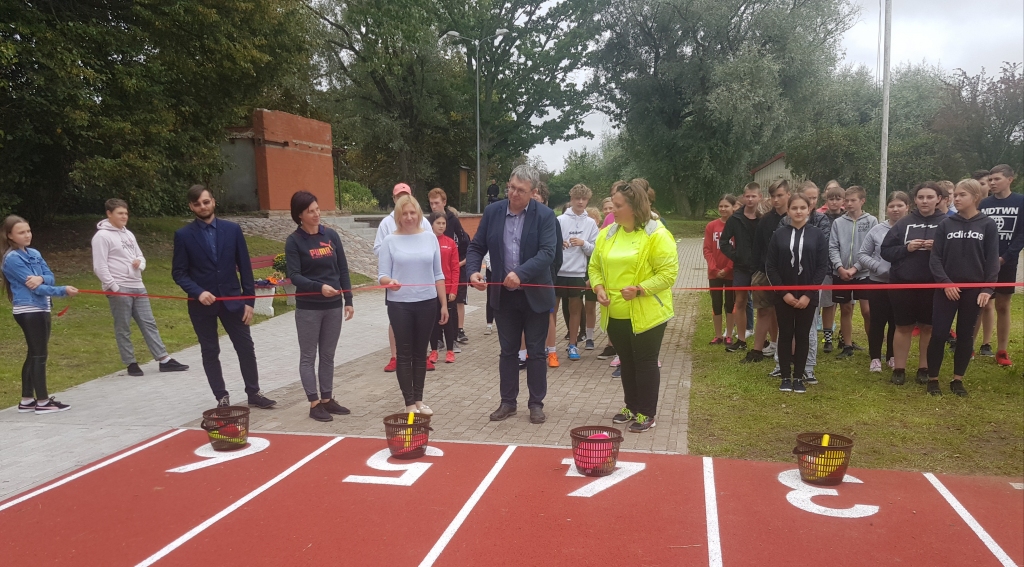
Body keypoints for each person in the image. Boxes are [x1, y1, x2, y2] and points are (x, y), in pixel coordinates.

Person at [466, 164, 556, 424]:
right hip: (503, 295)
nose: (514, 194)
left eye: (521, 190)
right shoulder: (493, 212)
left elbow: (547, 253)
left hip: (534, 294)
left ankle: (536, 404)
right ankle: (508, 402)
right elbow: (476, 246)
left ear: (533, 192)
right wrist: (473, 272)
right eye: (511, 187)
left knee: (537, 352)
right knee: (508, 351)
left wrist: (521, 273)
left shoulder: (545, 216)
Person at [172, 185, 276, 409]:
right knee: (210, 351)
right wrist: (198, 292)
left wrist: (249, 301)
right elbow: (179, 273)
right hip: (202, 306)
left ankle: (254, 392)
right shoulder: (183, 235)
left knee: (246, 347)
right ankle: (222, 397)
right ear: (191, 206)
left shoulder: (232, 230)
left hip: (232, 301)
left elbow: (245, 268)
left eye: (206, 202)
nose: (203, 207)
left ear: (213, 202)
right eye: (197, 204)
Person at [590, 180, 677, 432]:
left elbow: (668, 274)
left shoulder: (657, 234)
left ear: (634, 206)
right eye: (612, 205)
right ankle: (631, 405)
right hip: (614, 311)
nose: (611, 211)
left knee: (645, 362)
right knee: (626, 362)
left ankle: (647, 413)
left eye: (617, 206)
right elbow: (595, 266)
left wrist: (640, 289)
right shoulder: (607, 233)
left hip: (648, 313)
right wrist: (598, 288)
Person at [91, 198, 188, 376]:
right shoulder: (102, 236)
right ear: (109, 214)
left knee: (148, 322)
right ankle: (130, 363)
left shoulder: (128, 234)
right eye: (120, 213)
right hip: (119, 287)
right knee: (123, 326)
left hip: (137, 285)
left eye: (126, 213)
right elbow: (99, 266)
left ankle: (163, 359)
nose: (124, 216)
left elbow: (140, 256)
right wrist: (113, 286)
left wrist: (140, 264)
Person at [285, 191, 355, 422]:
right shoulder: (294, 241)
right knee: (308, 356)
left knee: (328, 355)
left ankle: (327, 398)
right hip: (309, 308)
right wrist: (318, 287)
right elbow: (294, 275)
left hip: (333, 306)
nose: (316, 214)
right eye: (310, 211)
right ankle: (314, 402)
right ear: (300, 216)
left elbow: (342, 269)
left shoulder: (331, 236)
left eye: (317, 209)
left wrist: (349, 300)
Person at [926, 179, 1000, 396]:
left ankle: (958, 379)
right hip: (946, 289)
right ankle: (933, 379)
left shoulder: (987, 224)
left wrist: (987, 289)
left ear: (975, 198)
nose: (956, 199)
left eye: (961, 195)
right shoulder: (946, 224)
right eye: (955, 195)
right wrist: (945, 283)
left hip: (974, 291)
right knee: (939, 334)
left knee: (965, 335)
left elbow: (992, 260)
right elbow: (935, 258)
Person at [378, 194, 447, 415]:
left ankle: (419, 400)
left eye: (412, 212)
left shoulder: (430, 238)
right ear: (398, 216)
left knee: (421, 353)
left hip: (427, 302)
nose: (408, 217)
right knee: (404, 354)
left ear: (418, 214)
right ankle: (409, 403)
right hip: (400, 304)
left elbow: (438, 274)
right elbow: (382, 276)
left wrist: (443, 304)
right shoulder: (390, 241)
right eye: (404, 213)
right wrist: (390, 282)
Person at [2, 215, 79, 413]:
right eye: (21, 232)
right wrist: (63, 290)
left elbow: (49, 278)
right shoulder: (11, 259)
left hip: (42, 308)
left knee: (34, 353)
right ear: (10, 236)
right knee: (39, 355)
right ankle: (43, 402)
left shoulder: (34, 253)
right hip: (28, 310)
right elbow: (37, 289)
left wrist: (41, 277)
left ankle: (27, 399)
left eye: (28, 231)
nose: (27, 235)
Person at [880, 182, 947, 386]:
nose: (925, 201)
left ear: (939, 199)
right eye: (921, 197)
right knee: (903, 326)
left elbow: (957, 255)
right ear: (915, 200)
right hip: (903, 284)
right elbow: (886, 251)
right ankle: (899, 369)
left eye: (929, 197)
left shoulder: (947, 223)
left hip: (933, 285)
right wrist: (906, 248)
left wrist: (939, 248)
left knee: (928, 327)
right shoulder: (903, 222)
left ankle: (924, 368)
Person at [765, 194, 829, 393]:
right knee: (785, 334)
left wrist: (808, 295)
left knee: (803, 335)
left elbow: (822, 267)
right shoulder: (779, 234)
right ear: (788, 210)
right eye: (794, 208)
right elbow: (771, 266)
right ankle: (785, 375)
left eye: (803, 207)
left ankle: (799, 377)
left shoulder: (817, 235)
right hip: (784, 295)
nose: (799, 211)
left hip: (807, 296)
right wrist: (784, 293)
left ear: (809, 209)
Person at [374, 183, 434, 372]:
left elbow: (431, 248)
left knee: (422, 325)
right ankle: (395, 355)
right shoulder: (386, 223)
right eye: (398, 196)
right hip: (397, 282)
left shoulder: (423, 221)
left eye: (405, 195)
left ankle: (422, 355)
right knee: (397, 322)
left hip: (422, 287)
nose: (402, 199)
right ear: (394, 199)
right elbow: (378, 248)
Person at [857, 191, 910, 373]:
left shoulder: (911, 228)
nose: (895, 209)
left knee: (897, 322)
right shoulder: (877, 230)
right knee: (877, 320)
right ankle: (875, 358)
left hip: (902, 283)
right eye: (891, 206)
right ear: (887, 209)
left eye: (899, 205)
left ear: (907, 207)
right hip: (878, 283)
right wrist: (879, 268)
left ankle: (892, 356)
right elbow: (862, 254)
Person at [979, 164, 1023, 367]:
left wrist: (1005, 258)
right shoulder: (984, 203)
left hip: (1007, 261)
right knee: (980, 304)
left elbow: (1021, 234)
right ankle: (970, 347)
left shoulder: (1020, 202)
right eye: (990, 180)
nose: (992, 183)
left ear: (1010, 179)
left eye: (996, 179)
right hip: (983, 263)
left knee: (1003, 305)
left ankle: (1002, 350)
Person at [829, 186, 878, 359]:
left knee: (867, 311)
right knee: (846, 309)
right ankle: (847, 345)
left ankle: (874, 346)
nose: (849, 204)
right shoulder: (838, 222)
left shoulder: (871, 221)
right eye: (846, 200)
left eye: (853, 200)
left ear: (862, 201)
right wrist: (839, 267)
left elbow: (872, 248)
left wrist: (856, 267)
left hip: (864, 273)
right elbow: (833, 246)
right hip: (841, 273)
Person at [746, 180, 790, 363]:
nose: (776, 200)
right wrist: (755, 271)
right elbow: (757, 248)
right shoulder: (765, 221)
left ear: (788, 194)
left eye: (779, 195)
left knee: (783, 313)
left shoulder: (794, 218)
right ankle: (757, 350)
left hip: (787, 275)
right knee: (764, 311)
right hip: (765, 273)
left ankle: (782, 347)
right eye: (773, 196)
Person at [556, 184, 599, 361]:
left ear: (588, 200)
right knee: (551, 309)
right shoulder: (559, 220)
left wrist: (583, 243)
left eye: (584, 199)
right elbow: (550, 245)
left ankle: (572, 345)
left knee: (575, 310)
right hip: (558, 272)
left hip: (577, 273)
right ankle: (548, 346)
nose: (580, 202)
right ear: (571, 199)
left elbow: (595, 250)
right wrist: (561, 244)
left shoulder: (590, 223)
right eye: (577, 198)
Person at [720, 182, 762, 352]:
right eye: (747, 196)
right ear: (743, 197)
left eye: (754, 196)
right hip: (741, 267)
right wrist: (736, 256)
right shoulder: (735, 219)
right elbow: (723, 242)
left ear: (760, 197)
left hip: (760, 269)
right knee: (740, 301)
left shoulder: (763, 219)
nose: (750, 199)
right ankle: (742, 339)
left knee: (764, 305)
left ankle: (764, 340)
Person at [428, 188, 471, 348]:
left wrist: (460, 263)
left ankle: (457, 332)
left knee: (457, 300)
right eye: (431, 203)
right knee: (437, 306)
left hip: (454, 267)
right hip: (436, 275)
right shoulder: (427, 222)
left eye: (436, 203)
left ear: (444, 203)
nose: (434, 206)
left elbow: (464, 242)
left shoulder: (453, 220)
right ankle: (437, 338)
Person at [533, 183, 565, 368]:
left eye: (537, 198)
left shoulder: (551, 219)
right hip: (525, 278)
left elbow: (556, 253)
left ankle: (552, 352)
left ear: (544, 199)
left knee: (548, 315)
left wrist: (552, 273)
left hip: (547, 276)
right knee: (525, 316)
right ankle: (526, 353)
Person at [427, 211, 460, 364]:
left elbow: (455, 268)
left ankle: (450, 350)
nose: (441, 226)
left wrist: (453, 289)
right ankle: (434, 350)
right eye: (438, 223)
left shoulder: (450, 243)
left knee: (448, 321)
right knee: (433, 322)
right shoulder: (426, 241)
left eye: (443, 223)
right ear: (431, 224)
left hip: (447, 290)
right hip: (431, 290)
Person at [704, 195, 737, 345]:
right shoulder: (711, 226)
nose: (723, 209)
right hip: (714, 273)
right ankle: (718, 335)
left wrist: (728, 268)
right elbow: (707, 249)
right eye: (721, 206)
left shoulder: (737, 225)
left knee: (730, 304)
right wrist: (714, 268)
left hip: (730, 273)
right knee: (716, 303)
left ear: (733, 207)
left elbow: (737, 249)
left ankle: (729, 333)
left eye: (726, 206)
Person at [971, 169, 996, 356]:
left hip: (995, 259)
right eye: (978, 183)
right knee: (975, 306)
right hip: (975, 262)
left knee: (989, 304)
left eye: (984, 183)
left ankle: (986, 343)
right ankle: (968, 341)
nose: (984, 186)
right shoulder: (974, 206)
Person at [819, 183, 845, 351]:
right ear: (826, 200)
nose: (834, 202)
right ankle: (828, 338)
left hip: (845, 267)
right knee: (827, 304)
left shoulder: (847, 218)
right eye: (831, 199)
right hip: (827, 268)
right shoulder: (821, 218)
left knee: (847, 306)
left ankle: (844, 338)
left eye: (838, 199)